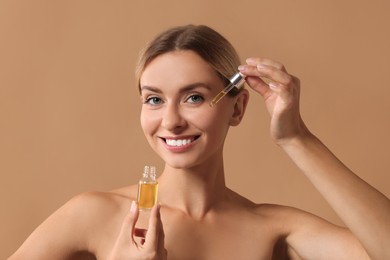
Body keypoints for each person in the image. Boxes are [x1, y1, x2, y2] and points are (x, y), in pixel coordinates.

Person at [8, 24, 390, 260]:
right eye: (154, 99)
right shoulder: (95, 216)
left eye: (193, 97)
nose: (171, 121)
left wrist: (297, 138)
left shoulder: (273, 230)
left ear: (237, 108)